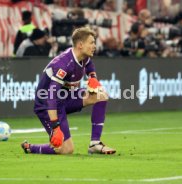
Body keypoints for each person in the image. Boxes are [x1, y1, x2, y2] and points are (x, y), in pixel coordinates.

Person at [21, 27, 116, 155]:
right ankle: (31, 148)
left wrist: (92, 77)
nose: (94, 45)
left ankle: (95, 143)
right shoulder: (64, 64)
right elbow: (51, 97)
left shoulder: (83, 56)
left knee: (101, 95)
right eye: (92, 42)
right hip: (47, 105)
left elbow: (89, 64)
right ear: (80, 45)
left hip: (65, 97)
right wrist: (55, 126)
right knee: (66, 150)